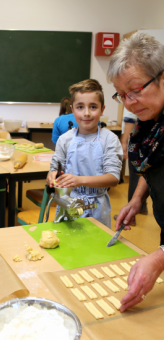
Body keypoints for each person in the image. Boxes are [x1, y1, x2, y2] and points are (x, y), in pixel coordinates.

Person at [108, 32, 164, 311]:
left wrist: (159, 258)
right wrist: (136, 199)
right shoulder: (151, 125)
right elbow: (153, 166)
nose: (129, 102)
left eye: (136, 89)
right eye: (122, 95)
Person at [46, 79, 123, 228]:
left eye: (93, 107)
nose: (86, 113)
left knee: (95, 247)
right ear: (72, 109)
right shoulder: (64, 140)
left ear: (102, 109)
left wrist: (79, 180)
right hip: (68, 203)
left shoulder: (109, 139)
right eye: (80, 107)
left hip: (97, 208)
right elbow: (55, 166)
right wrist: (52, 174)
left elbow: (113, 178)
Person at [113, 108, 148, 225]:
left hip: (139, 138)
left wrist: (124, 140)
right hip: (149, 137)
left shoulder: (132, 96)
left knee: (135, 175)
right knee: (145, 172)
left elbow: (130, 118)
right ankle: (142, 206)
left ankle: (129, 215)